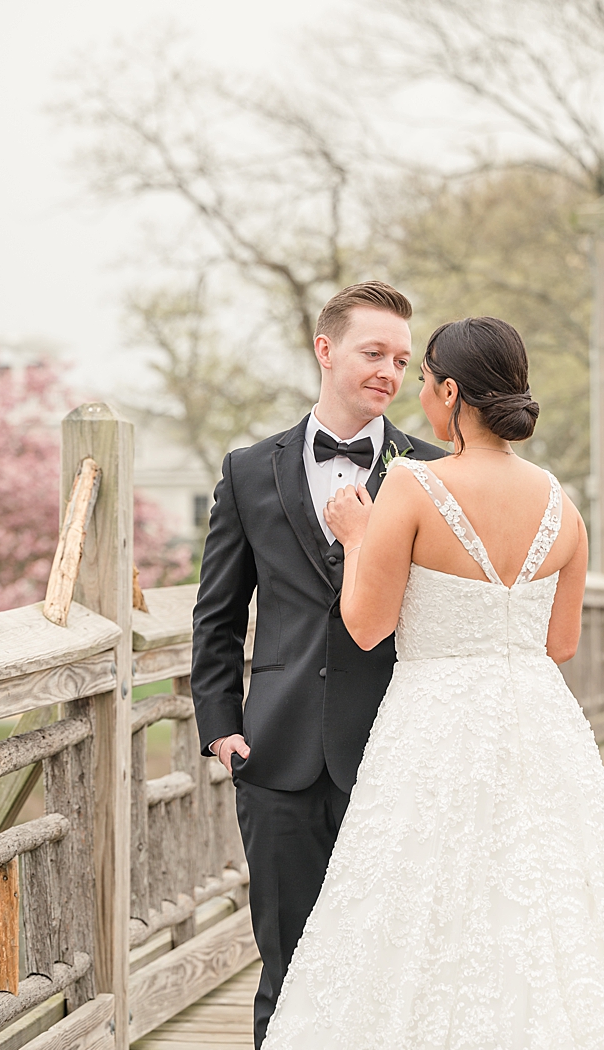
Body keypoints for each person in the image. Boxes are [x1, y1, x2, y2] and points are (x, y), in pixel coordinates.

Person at [261, 316, 604, 1049]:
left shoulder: (412, 485)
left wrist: (360, 537)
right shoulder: (564, 505)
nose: (417, 394)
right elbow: (561, 642)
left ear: (451, 392)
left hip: (433, 720)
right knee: (541, 901)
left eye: (423, 380)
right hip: (538, 724)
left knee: (418, 900)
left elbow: (366, 625)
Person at [189, 282, 447, 1048]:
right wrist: (219, 727)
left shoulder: (429, 472)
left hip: (394, 755)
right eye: (374, 353)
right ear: (325, 349)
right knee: (287, 968)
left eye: (402, 360)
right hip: (274, 753)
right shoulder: (246, 471)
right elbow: (218, 613)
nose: (390, 372)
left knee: (392, 966)